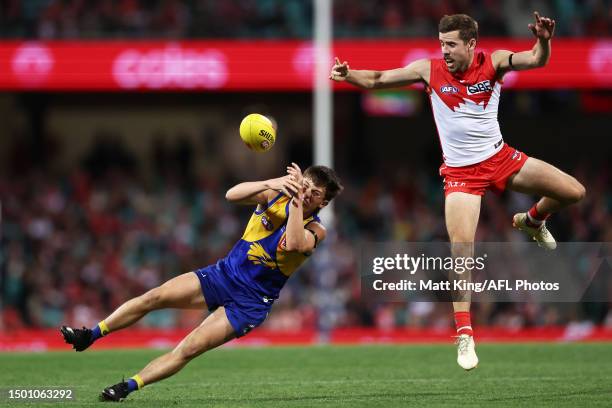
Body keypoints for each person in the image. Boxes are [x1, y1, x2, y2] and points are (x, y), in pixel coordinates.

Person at [330, 12, 585, 370]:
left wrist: (543, 40)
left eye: (451, 44)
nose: (444, 50)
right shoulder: (427, 70)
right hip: (461, 174)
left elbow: (535, 59)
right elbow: (377, 79)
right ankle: (465, 334)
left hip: (501, 158)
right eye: (441, 44)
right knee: (462, 250)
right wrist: (348, 75)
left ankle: (532, 220)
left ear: (471, 44)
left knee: (573, 192)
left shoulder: (493, 62)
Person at [60, 163, 343, 401]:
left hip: (250, 303)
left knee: (189, 347)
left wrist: (295, 201)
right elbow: (232, 195)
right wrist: (275, 182)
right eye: (304, 185)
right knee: (153, 297)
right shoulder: (275, 194)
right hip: (222, 275)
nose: (306, 193)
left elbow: (293, 243)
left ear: (323, 202)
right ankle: (91, 335)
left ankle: (125, 387)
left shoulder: (316, 229)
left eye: (314, 193)